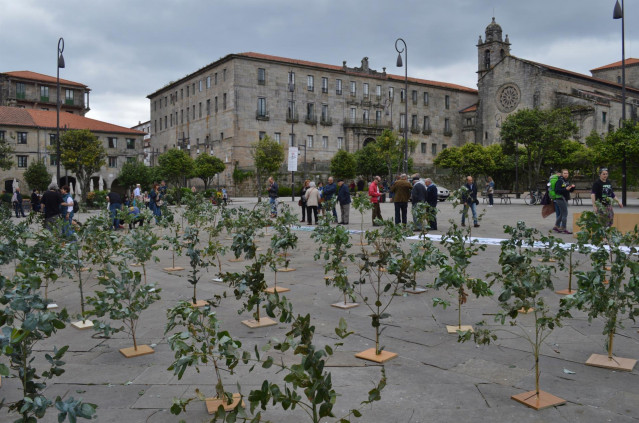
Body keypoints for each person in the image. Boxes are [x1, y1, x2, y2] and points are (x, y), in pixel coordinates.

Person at [553, 169, 576, 234]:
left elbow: (569, 191)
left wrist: (572, 187)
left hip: (565, 199)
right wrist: (565, 189)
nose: (566, 174)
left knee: (562, 214)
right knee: (565, 213)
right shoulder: (560, 181)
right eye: (564, 173)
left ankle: (556, 226)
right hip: (560, 199)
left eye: (567, 173)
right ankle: (563, 228)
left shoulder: (566, 181)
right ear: (562, 174)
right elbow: (557, 191)